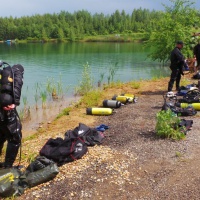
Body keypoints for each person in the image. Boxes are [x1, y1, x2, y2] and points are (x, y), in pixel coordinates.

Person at [0, 63, 24, 168]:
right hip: (6, 112)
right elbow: (16, 92)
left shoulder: (3, 74)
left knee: (1, 135)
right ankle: (8, 167)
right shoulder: (14, 75)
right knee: (15, 137)